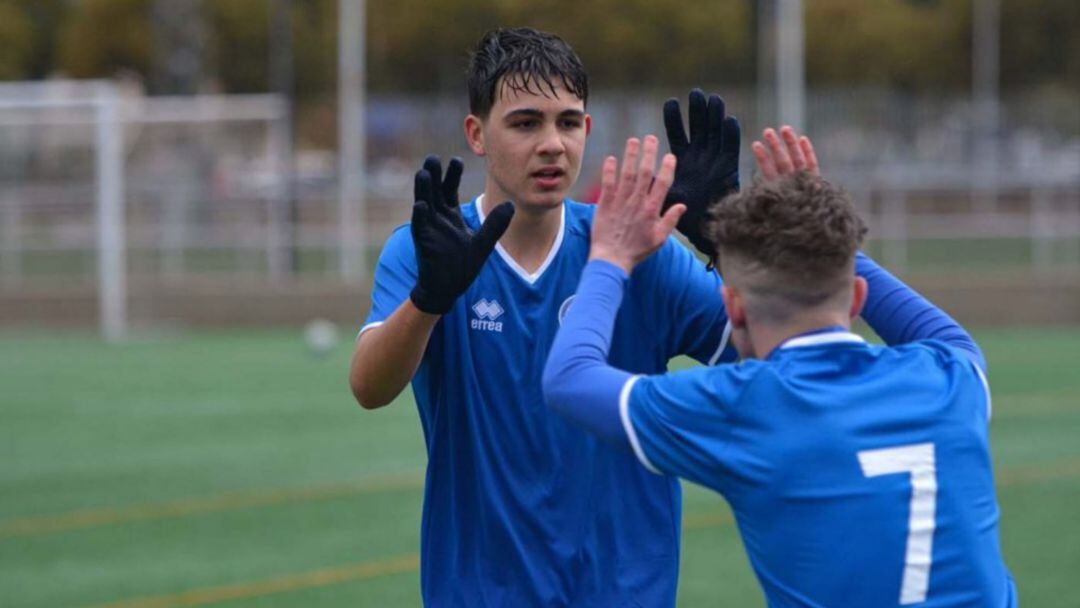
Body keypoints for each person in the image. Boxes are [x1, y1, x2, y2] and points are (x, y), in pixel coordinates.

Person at [348, 27, 744, 605]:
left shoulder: (637, 249)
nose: (552, 143)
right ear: (477, 134)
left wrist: (730, 245)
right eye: (526, 123)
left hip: (625, 591)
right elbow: (368, 386)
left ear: (586, 129)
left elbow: (765, 351)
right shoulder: (424, 249)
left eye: (568, 122)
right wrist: (429, 299)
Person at [542, 137, 1017, 606]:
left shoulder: (745, 404)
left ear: (732, 307)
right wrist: (823, 231)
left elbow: (570, 380)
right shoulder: (951, 378)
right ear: (855, 296)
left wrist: (610, 258)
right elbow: (944, 334)